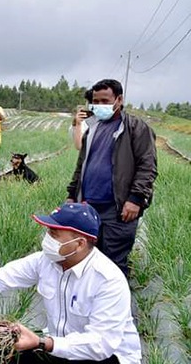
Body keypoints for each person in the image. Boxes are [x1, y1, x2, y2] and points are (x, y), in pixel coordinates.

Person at [0, 202, 141, 364]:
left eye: (54, 233)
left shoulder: (107, 280)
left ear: (80, 243)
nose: (47, 238)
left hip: (108, 358)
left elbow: (100, 345)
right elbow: (2, 277)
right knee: (8, 352)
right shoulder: (45, 261)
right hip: (59, 347)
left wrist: (42, 342)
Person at [66, 79, 157, 276]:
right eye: (95, 102)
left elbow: (147, 167)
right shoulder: (92, 129)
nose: (99, 106)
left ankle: (116, 305)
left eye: (105, 101)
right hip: (89, 207)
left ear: (119, 99)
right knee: (89, 261)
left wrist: (135, 199)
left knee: (114, 264)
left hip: (118, 209)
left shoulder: (135, 127)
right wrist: (72, 194)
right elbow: (81, 165)